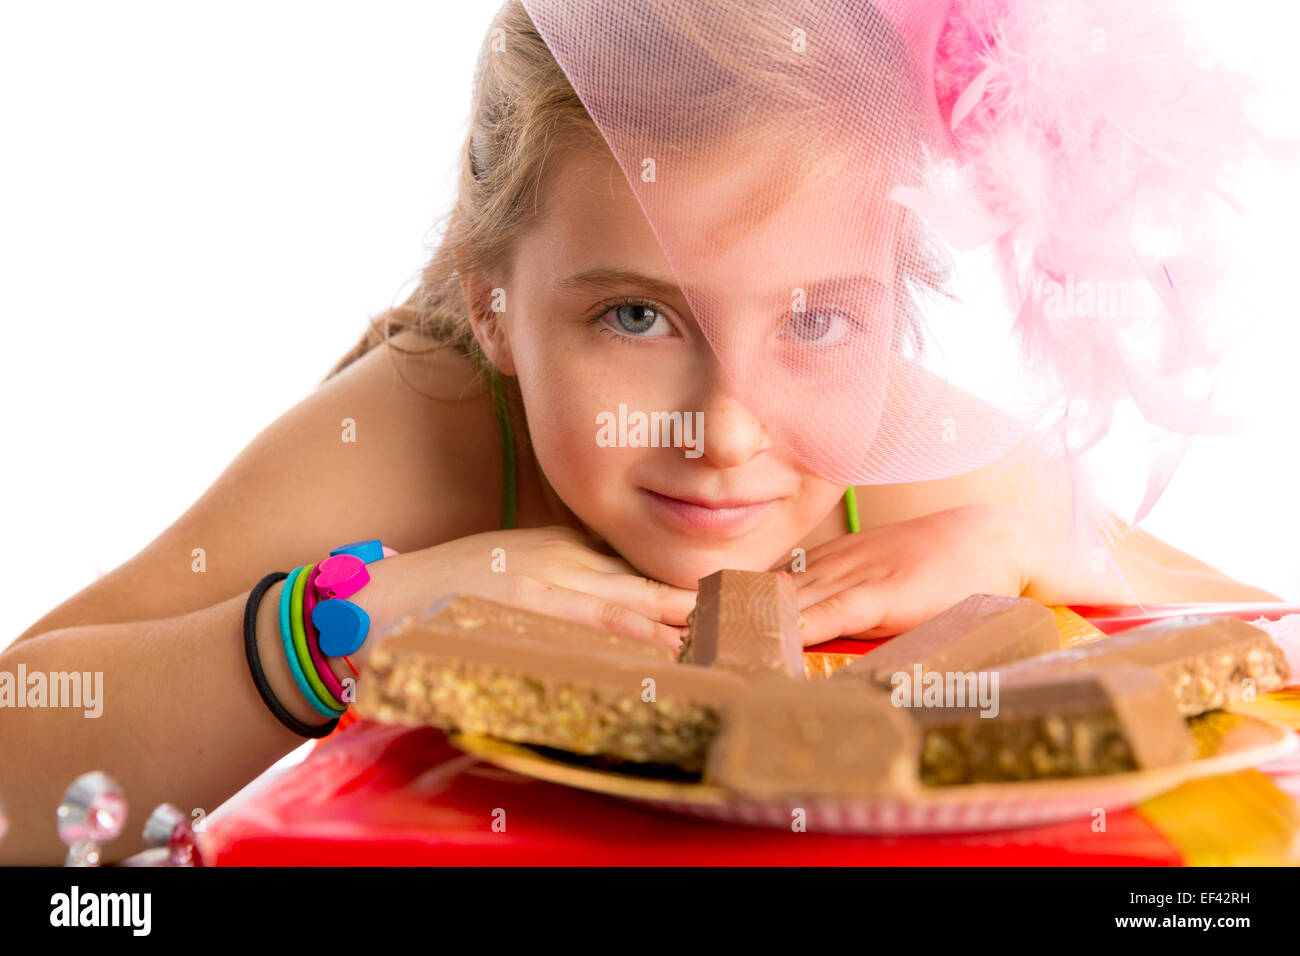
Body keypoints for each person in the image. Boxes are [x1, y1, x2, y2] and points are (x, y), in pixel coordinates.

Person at [0, 0, 1279, 865]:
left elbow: (1269, 648)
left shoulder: (904, 465)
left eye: (818, 322)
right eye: (633, 313)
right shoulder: (429, 432)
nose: (728, 429)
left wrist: (1034, 543)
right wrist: (329, 628)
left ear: (896, 307)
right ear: (490, 306)